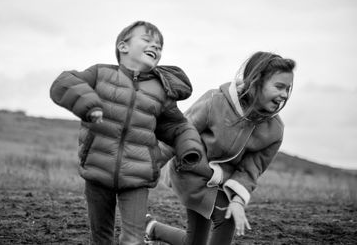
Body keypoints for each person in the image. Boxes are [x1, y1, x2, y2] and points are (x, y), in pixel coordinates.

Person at [49, 21, 203, 245]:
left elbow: (178, 126)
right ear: (123, 47)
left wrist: (189, 148)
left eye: (159, 46)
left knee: (133, 240)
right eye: (148, 40)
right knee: (100, 239)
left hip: (137, 176)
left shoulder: (160, 92)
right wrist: (89, 105)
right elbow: (64, 83)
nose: (156, 47)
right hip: (97, 170)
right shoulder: (100, 74)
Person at [145, 51, 296, 245]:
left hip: (220, 183)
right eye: (279, 87)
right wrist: (149, 167)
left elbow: (251, 170)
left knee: (195, 242)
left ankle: (152, 228)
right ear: (256, 82)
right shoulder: (215, 101)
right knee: (227, 218)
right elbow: (178, 134)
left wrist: (238, 201)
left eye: (288, 89)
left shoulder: (274, 130)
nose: (284, 95)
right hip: (190, 172)